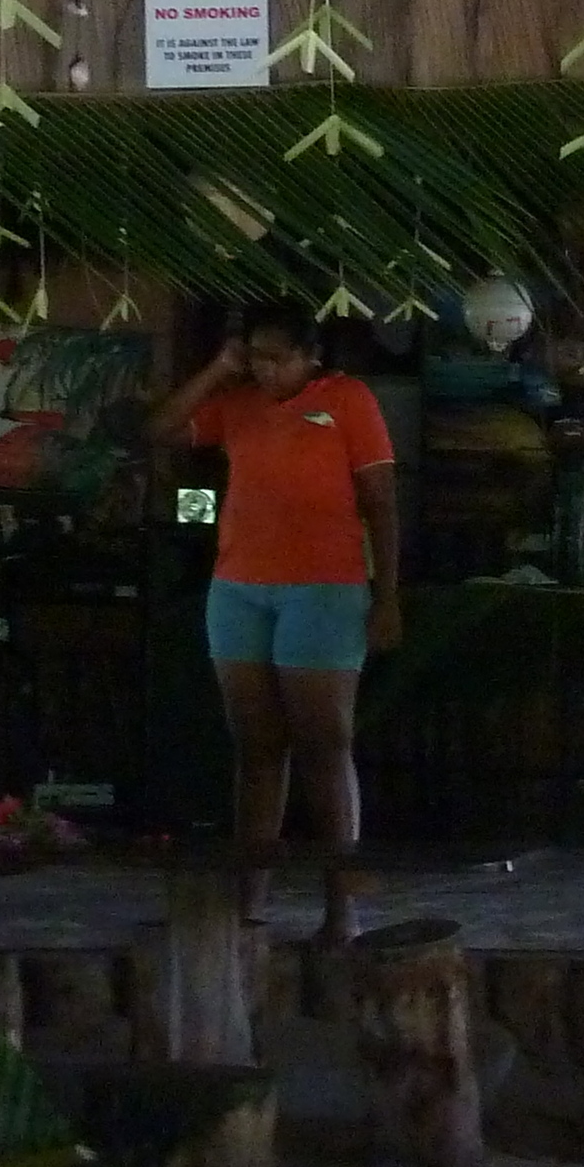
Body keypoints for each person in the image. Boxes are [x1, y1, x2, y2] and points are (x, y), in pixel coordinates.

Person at [148, 306, 402, 940]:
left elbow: (381, 504)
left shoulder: (347, 400)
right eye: (256, 355)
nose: (266, 367)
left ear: (309, 355)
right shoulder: (236, 402)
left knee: (324, 742)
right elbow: (161, 429)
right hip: (238, 588)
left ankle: (340, 908)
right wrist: (217, 370)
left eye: (278, 356)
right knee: (256, 747)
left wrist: (388, 594)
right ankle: (249, 898)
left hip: (325, 589)